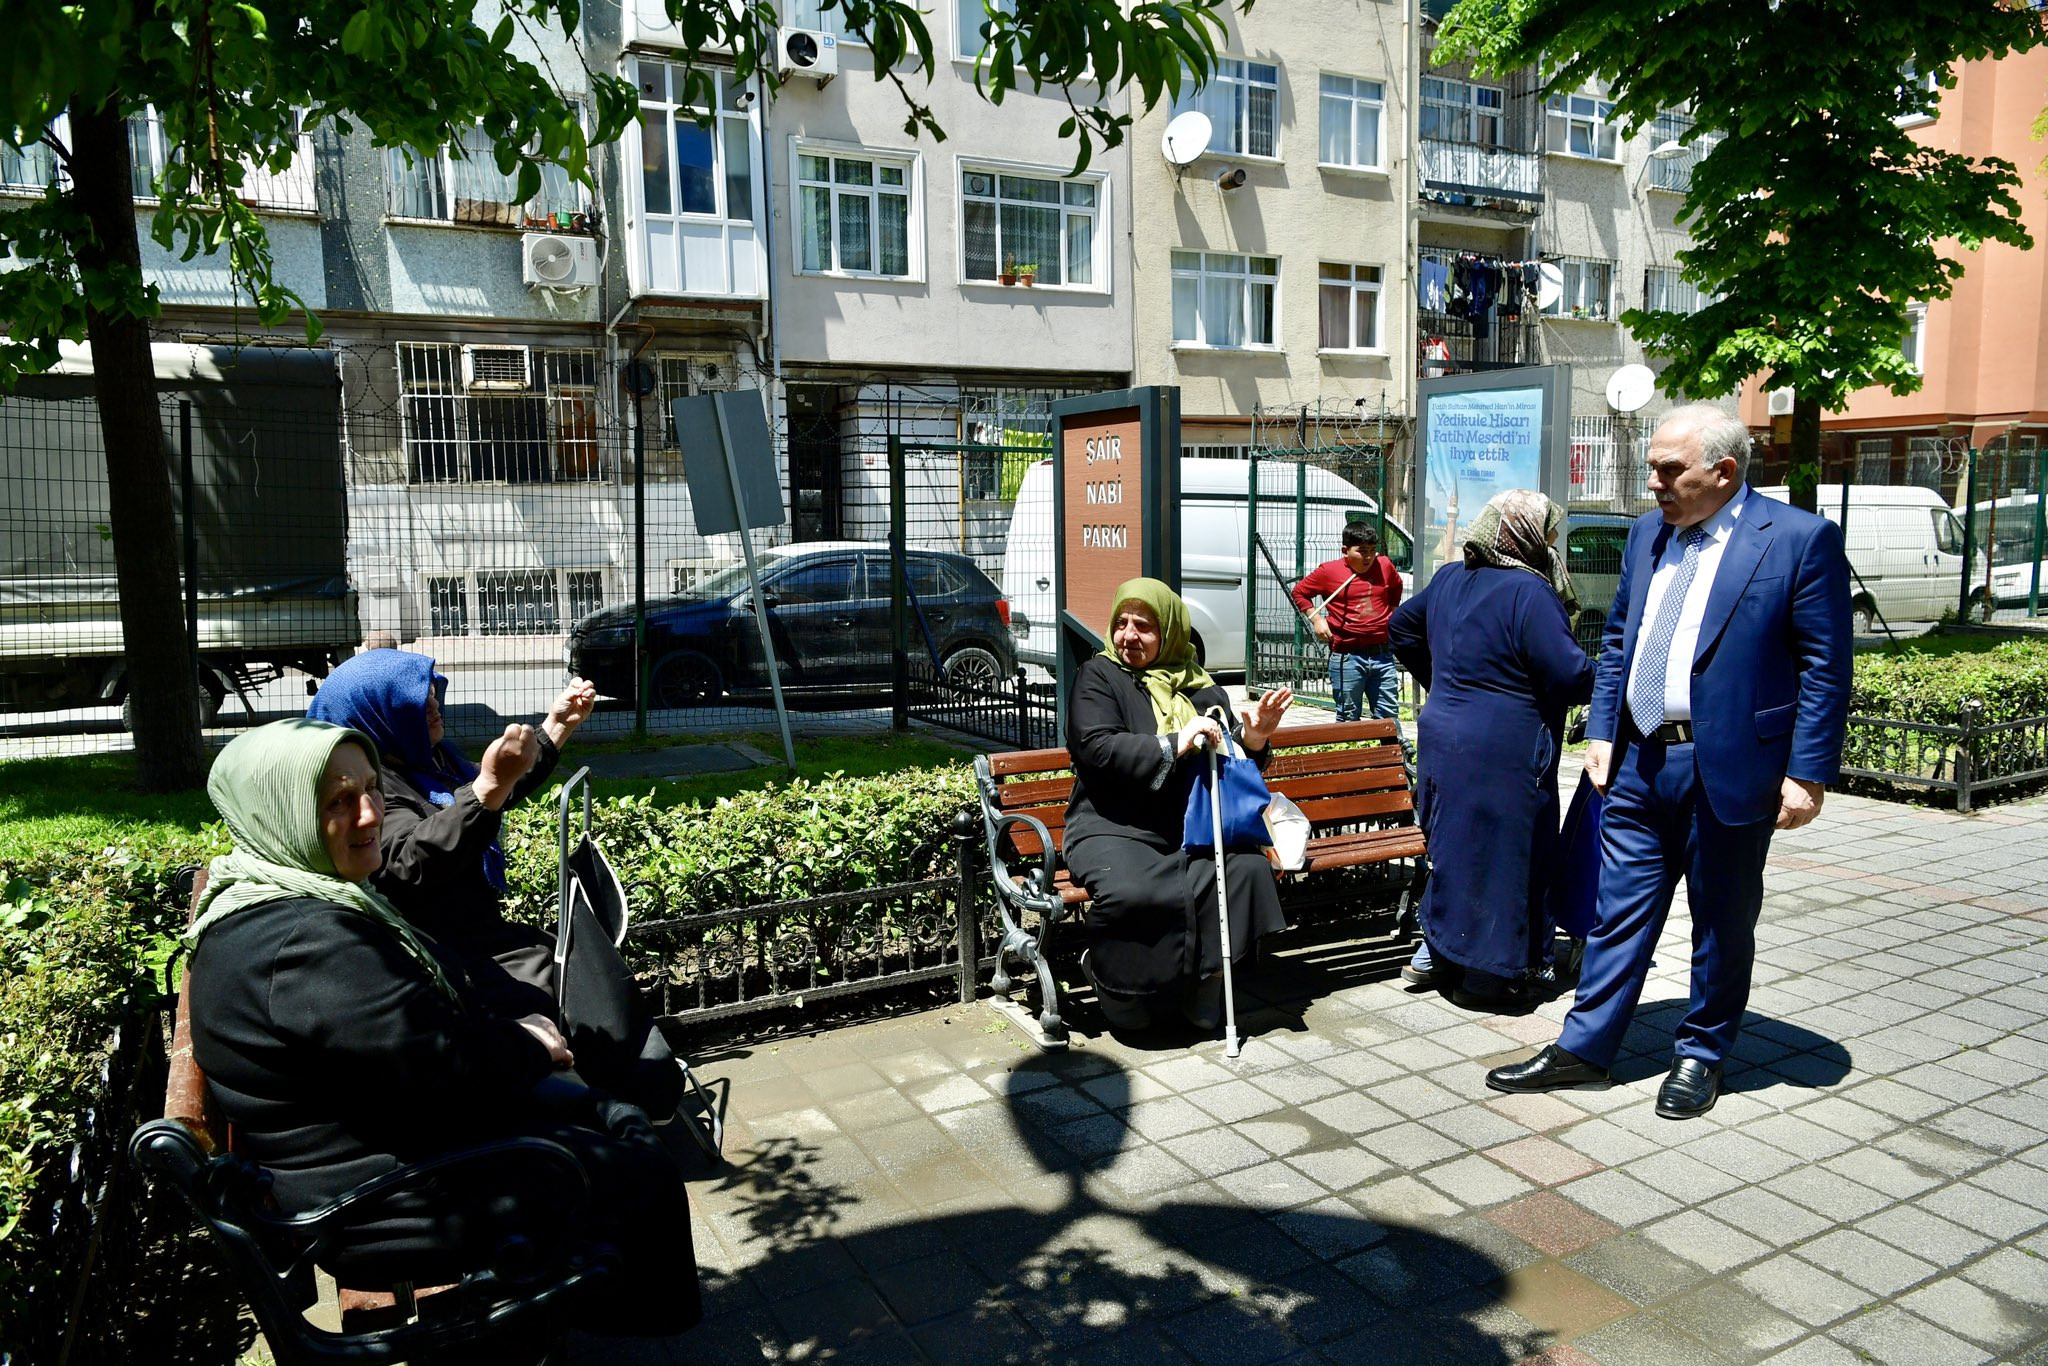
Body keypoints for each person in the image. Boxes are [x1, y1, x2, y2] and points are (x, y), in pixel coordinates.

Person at [185, 718, 701, 1339]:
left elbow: (410, 1050)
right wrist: (528, 1044)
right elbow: (445, 1069)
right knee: (639, 1167)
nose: (370, 814)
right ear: (281, 814)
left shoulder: (282, 897)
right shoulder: (306, 946)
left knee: (604, 1111)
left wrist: (514, 1039)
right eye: (338, 802)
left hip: (375, 1154)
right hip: (378, 1204)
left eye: (372, 789)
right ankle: (632, 1323)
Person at [1486, 404, 1851, 1119]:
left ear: (1724, 471)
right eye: (1651, 467)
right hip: (1638, 761)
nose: (1651, 482)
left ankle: (1700, 1055)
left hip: (1732, 768)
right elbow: (1618, 637)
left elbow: (1825, 667)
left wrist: (1807, 774)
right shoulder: (1647, 534)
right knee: (1615, 913)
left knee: (1721, 920)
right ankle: (1584, 1048)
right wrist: (1601, 732)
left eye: (1668, 469)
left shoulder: (1798, 540)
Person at [308, 650, 681, 1117]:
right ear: (376, 714)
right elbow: (406, 859)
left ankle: (635, 1091)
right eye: (415, 701)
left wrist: (555, 728)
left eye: (432, 692)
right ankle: (624, 1104)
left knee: (583, 973)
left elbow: (498, 787)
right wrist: (487, 787)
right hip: (448, 956)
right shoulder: (378, 785)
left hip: (479, 936)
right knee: (569, 984)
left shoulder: (429, 761)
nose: (434, 704)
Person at [1389, 490, 1593, 1009]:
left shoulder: (1450, 578)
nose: (1552, 540)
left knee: (1451, 846)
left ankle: (1438, 951)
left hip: (1443, 738)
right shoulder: (1529, 591)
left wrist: (1442, 683)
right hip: (1506, 747)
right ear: (1523, 535)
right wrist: (1608, 676)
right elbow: (1569, 674)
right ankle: (1487, 973)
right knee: (1504, 857)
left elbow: (1401, 628)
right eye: (1548, 531)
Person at [1064, 578, 1294, 1032]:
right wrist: (1173, 742)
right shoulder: (1099, 676)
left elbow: (1228, 762)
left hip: (1188, 823)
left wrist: (1255, 737)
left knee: (1246, 869)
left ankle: (1206, 978)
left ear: (1170, 632)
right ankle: (1115, 982)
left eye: (1144, 626)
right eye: (1122, 623)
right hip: (1111, 824)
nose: (1129, 635)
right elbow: (1096, 747)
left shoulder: (1201, 688)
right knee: (1135, 891)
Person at [1290, 521, 1405, 732]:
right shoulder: (1329, 571)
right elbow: (1299, 592)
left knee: (1388, 719)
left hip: (1383, 655)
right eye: (1362, 551)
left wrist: (1393, 611)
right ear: (1345, 550)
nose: (1368, 557)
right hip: (1347, 656)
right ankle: (1351, 753)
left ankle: (1390, 753)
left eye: (1372, 550)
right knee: (1348, 719)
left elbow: (1397, 585)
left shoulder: (1384, 565)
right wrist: (1316, 619)